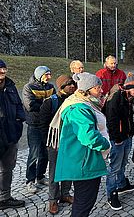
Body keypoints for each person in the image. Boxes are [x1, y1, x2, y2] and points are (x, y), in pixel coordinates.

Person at [53, 72, 110, 217]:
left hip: (84, 160)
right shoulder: (78, 108)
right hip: (83, 163)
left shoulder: (83, 103)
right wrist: (106, 144)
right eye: (98, 88)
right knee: (84, 203)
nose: (101, 90)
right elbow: (88, 136)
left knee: (83, 202)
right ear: (87, 90)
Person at [39, 75, 76, 214]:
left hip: (71, 141)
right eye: (68, 84)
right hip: (55, 142)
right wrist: (48, 143)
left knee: (69, 169)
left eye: (73, 83)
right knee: (54, 172)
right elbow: (42, 124)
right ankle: (52, 200)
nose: (72, 86)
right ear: (61, 87)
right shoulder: (50, 102)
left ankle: (65, 194)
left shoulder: (74, 100)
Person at [104, 72, 134, 211]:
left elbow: (129, 117)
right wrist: (116, 137)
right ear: (127, 88)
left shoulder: (129, 97)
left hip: (126, 135)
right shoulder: (116, 97)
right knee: (114, 167)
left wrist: (131, 131)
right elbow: (111, 119)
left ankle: (122, 184)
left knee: (123, 162)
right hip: (117, 138)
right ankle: (111, 194)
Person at [22, 65, 55, 193]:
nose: (49, 77)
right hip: (34, 124)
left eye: (49, 74)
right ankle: (30, 180)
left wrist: (45, 104)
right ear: (40, 75)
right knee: (34, 153)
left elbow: (54, 101)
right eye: (47, 74)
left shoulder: (50, 87)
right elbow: (30, 105)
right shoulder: (28, 87)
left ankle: (40, 176)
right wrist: (46, 104)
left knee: (45, 153)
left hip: (47, 124)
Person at [0, 59, 26, 210]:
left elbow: (18, 105)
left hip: (11, 134)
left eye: (4, 69)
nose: (3, 72)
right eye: (0, 69)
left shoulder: (10, 86)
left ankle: (5, 198)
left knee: (7, 168)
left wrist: (19, 120)